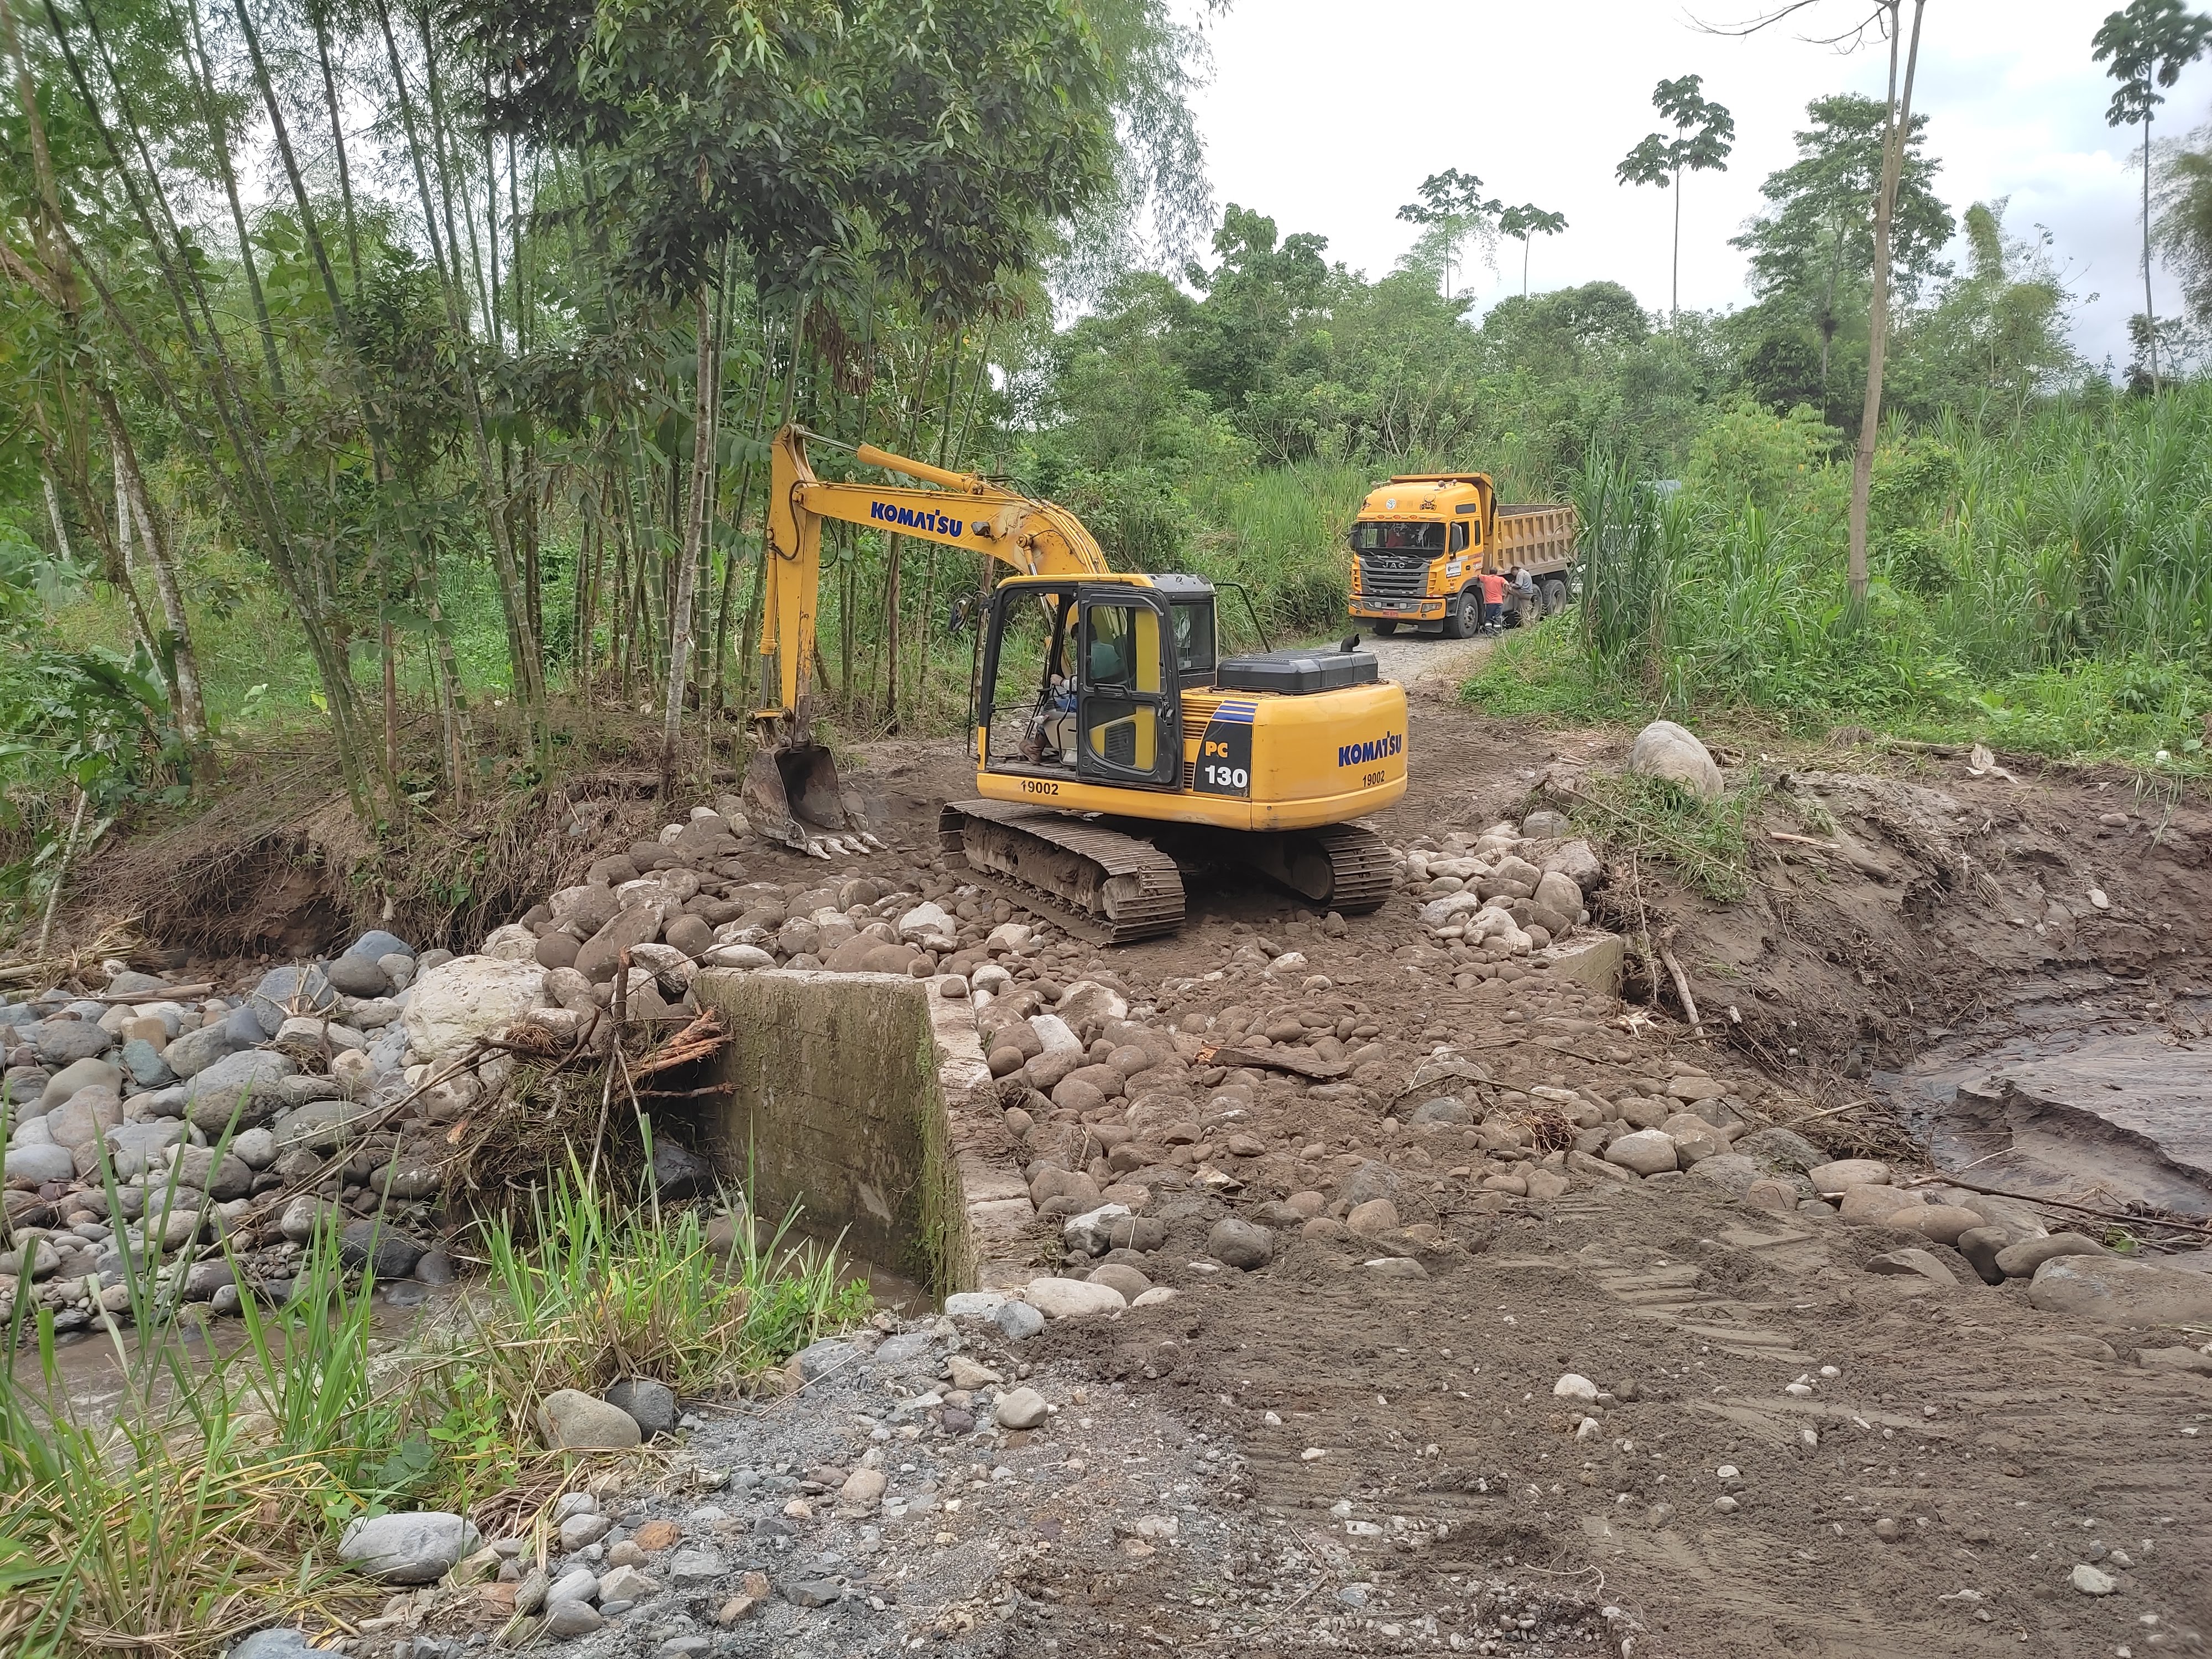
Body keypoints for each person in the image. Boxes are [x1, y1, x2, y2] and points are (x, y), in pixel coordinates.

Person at [1478, 567, 1506, 633]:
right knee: (1498, 617)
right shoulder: (1500, 579)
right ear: (1497, 573)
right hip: (1499, 602)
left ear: (1489, 572)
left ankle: (1489, 632)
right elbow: (1507, 584)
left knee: (1489, 617)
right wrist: (1505, 593)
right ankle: (1497, 632)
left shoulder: (1486, 578)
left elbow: (1479, 576)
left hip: (1490, 603)